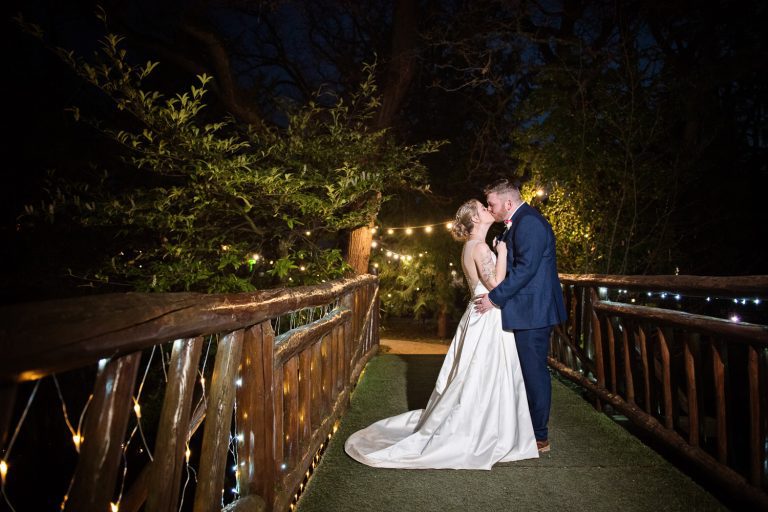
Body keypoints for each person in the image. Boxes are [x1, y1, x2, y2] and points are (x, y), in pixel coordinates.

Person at [344, 199, 539, 469]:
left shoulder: (472, 246)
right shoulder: (480, 247)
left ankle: (492, 427)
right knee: (482, 373)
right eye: (483, 209)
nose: (488, 210)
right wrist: (503, 253)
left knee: (482, 373)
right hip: (487, 315)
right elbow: (495, 285)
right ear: (475, 220)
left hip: (480, 313)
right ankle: (482, 432)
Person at [474, 179, 567, 453]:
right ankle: (528, 429)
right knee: (526, 371)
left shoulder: (529, 223)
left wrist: (494, 297)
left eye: (492, 203)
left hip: (534, 312)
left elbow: (526, 270)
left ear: (509, 203)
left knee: (534, 372)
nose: (490, 208)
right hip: (527, 310)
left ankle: (539, 436)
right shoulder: (518, 223)